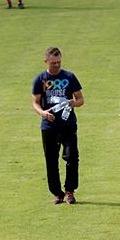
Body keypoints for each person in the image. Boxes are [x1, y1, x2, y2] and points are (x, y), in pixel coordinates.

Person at [31, 47, 85, 205]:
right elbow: (35, 102)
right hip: (49, 127)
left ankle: (70, 191)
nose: (56, 65)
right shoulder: (40, 79)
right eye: (53, 63)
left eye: (59, 62)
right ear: (46, 61)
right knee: (51, 160)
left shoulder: (69, 76)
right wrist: (42, 113)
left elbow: (81, 99)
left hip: (68, 125)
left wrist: (73, 103)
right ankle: (57, 193)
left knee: (72, 156)